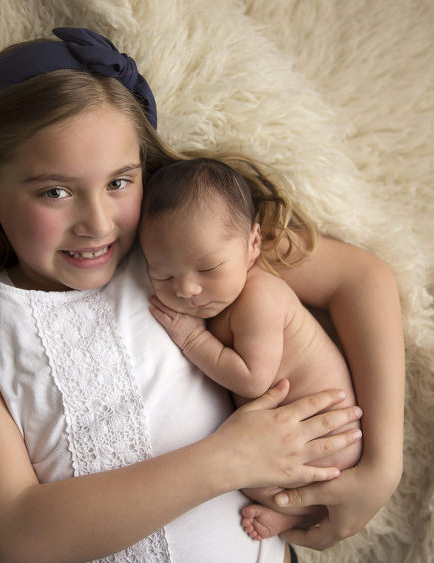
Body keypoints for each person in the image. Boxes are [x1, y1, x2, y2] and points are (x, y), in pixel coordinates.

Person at [0, 27, 403, 561]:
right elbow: (17, 533)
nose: (97, 224)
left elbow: (363, 279)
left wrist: (381, 467)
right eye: (55, 191)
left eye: (119, 183)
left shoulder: (178, 247)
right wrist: (232, 458)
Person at [138, 157, 364, 540]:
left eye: (208, 270)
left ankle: (293, 514)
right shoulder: (222, 296)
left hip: (326, 441)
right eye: (164, 275)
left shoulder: (261, 297)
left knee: (252, 482)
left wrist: (194, 339)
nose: (187, 290)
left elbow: (253, 380)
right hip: (300, 434)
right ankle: (292, 512)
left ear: (253, 244)